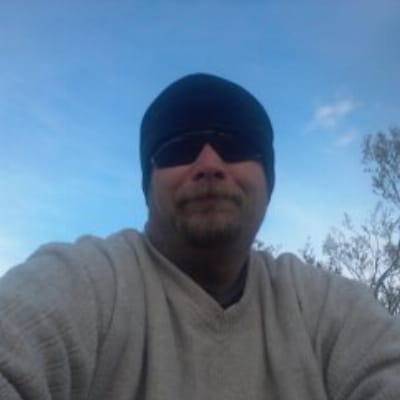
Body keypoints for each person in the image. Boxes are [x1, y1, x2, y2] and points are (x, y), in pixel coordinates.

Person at [0, 73, 399, 400]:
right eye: (180, 148)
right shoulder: (87, 281)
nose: (209, 164)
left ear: (268, 179)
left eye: (235, 145)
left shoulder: (327, 309)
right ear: (148, 183)